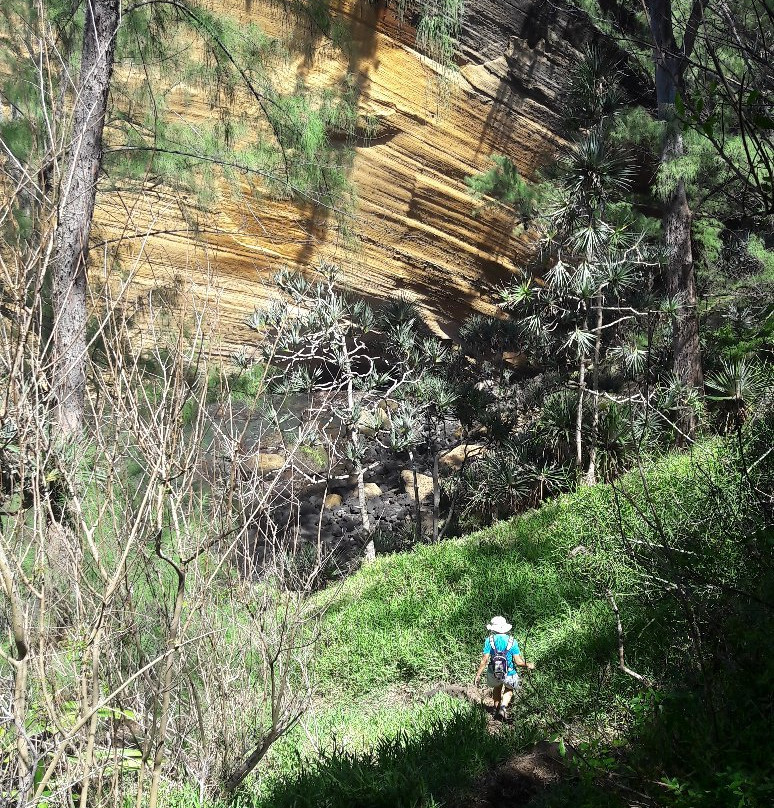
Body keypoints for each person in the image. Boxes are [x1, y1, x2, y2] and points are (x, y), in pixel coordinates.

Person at [473, 615, 534, 721]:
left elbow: (484, 660)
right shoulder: (512, 641)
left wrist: (478, 675)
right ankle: (503, 708)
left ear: (493, 629)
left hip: (494, 672)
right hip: (509, 673)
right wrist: (528, 664)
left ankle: (496, 709)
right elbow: (518, 662)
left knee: (497, 688)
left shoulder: (489, 640)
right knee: (509, 689)